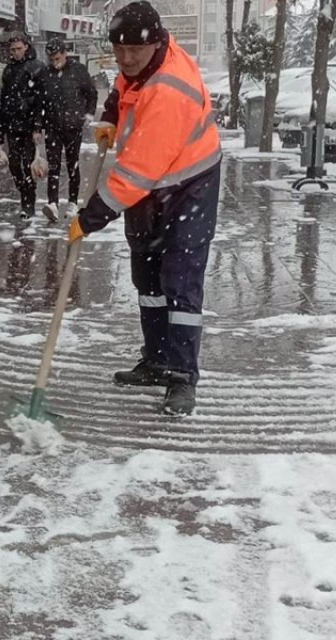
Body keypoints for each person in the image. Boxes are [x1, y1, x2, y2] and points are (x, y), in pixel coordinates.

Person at [67, 1, 222, 416]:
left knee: (180, 277)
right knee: (147, 271)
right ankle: (156, 360)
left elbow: (135, 175)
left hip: (190, 182)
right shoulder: (143, 62)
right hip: (153, 182)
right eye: (118, 50)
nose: (125, 58)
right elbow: (123, 86)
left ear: (155, 43)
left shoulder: (169, 89)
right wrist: (111, 114)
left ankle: (182, 376)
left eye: (134, 50)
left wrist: (90, 217)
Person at [41, 39, 98, 221]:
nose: (54, 62)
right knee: (54, 165)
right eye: (51, 59)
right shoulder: (46, 74)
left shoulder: (78, 71)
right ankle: (53, 203)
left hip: (73, 126)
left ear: (65, 54)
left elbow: (92, 93)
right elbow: (40, 101)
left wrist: (88, 114)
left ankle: (73, 202)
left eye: (57, 58)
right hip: (52, 126)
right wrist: (37, 125)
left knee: (73, 164)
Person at [0, 32, 46, 219]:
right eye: (12, 49)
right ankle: (24, 190)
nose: (15, 52)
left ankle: (28, 203)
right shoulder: (9, 70)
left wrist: (37, 127)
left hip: (29, 123)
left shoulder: (36, 68)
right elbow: (5, 102)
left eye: (18, 48)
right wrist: (0, 132)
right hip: (12, 123)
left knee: (28, 164)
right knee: (14, 164)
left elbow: (41, 100)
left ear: (26, 46)